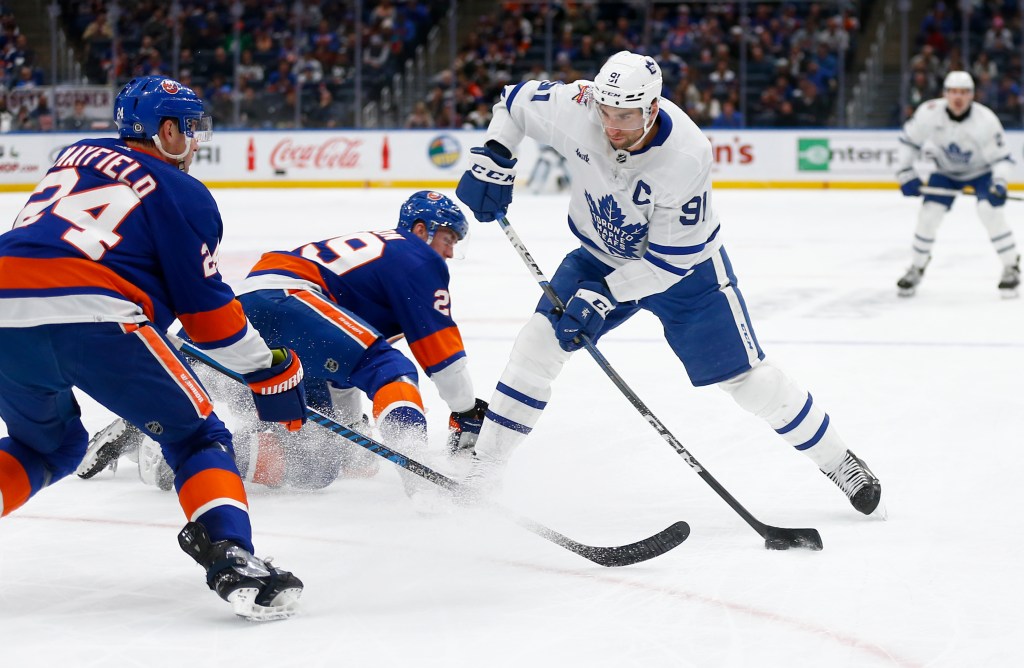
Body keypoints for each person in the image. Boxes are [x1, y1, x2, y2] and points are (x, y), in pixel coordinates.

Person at [454, 51, 882, 515]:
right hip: (598, 256)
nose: (612, 125)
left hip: (684, 273)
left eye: (626, 116)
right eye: (606, 111)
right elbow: (513, 103)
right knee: (536, 346)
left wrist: (606, 296)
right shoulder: (579, 107)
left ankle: (839, 461)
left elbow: (666, 264)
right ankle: (486, 470)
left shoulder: (686, 155)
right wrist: (495, 157)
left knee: (748, 381)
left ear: (652, 108)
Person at [0, 76, 308, 621]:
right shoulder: (184, 192)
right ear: (165, 130)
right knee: (198, 436)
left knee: (47, 447)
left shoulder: (72, 156)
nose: (194, 143)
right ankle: (230, 553)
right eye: (188, 129)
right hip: (94, 313)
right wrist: (268, 369)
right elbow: (210, 319)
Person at [79, 191, 487, 505]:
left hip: (270, 312)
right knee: (391, 368)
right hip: (291, 300)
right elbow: (441, 354)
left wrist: (351, 435)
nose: (450, 252)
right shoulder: (416, 256)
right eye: (448, 237)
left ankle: (161, 439)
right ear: (421, 230)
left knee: (318, 462)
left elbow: (342, 362)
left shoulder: (382, 266)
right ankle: (417, 470)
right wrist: (465, 409)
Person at [895, 70, 1020, 297]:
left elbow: (1002, 159)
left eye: (963, 92)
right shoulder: (929, 112)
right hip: (946, 172)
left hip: (981, 172)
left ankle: (1011, 265)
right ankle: (916, 266)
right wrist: (905, 173)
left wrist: (999, 183)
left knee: (989, 211)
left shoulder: (985, 120)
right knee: (929, 215)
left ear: (972, 95)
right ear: (945, 94)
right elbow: (908, 142)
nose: (958, 98)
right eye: (953, 92)